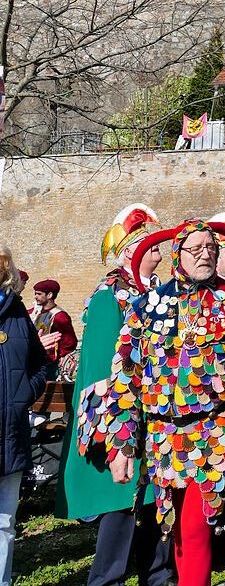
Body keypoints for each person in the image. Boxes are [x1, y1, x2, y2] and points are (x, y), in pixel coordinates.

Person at [78, 218, 225, 586]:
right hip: (162, 439)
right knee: (174, 529)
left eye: (211, 248)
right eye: (196, 249)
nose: (205, 255)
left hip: (215, 435)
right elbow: (128, 378)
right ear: (179, 254)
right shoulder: (146, 308)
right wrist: (122, 443)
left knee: (194, 526)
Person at [57, 204, 173, 586]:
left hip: (156, 417)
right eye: (151, 245)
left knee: (157, 507)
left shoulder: (158, 292)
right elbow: (100, 369)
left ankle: (156, 577)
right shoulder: (110, 296)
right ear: (131, 251)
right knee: (120, 509)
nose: (159, 250)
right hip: (120, 417)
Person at [0, 245, 48, 586]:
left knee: (4, 524)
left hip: (10, 434)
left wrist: (23, 394)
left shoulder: (16, 312)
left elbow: (42, 362)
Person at [31, 279, 77, 376]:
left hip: (48, 363)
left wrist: (56, 356)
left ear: (49, 295)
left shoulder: (60, 316)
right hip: (34, 359)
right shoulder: (36, 313)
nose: (35, 297)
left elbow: (70, 342)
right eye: (35, 293)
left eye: (39, 294)